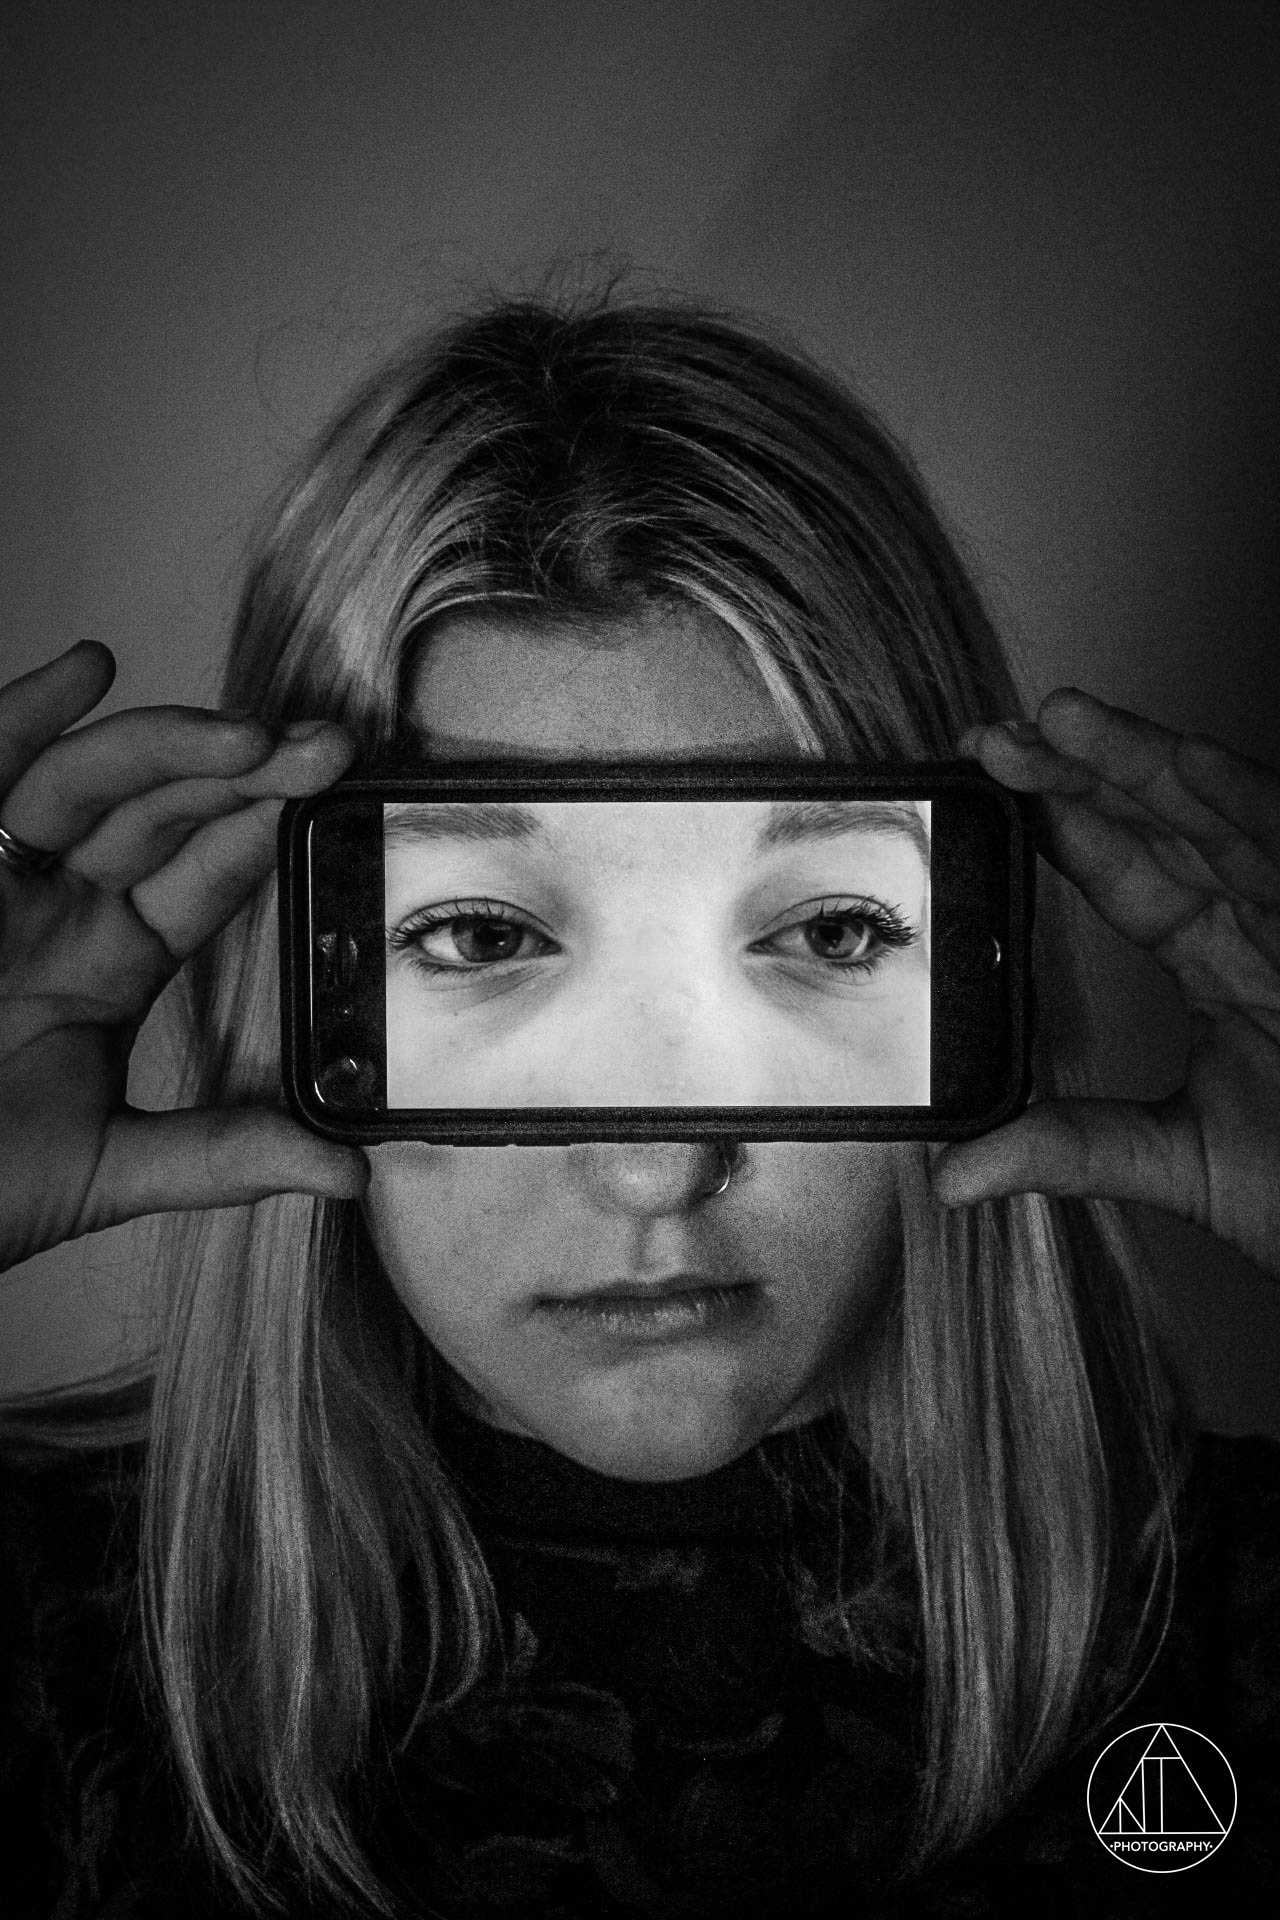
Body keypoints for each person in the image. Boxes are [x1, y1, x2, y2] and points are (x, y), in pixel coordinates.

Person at [1, 298, 1276, 1918]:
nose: (658, 1166)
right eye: (481, 938)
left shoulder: (1237, 1617)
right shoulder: (38, 1634)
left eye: (829, 933)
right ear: (297, 980)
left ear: (974, 960)